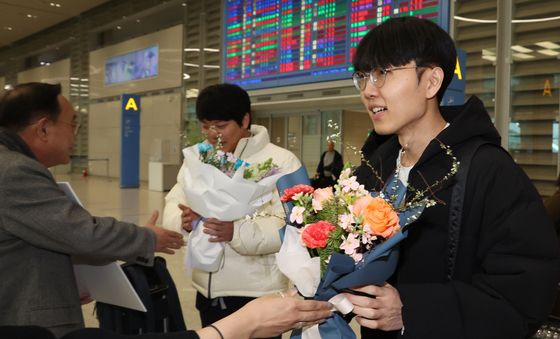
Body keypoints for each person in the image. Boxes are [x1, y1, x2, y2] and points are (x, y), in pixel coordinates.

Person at [343, 17, 560, 338]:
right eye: (363, 76)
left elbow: (525, 292)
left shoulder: (488, 169)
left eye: (383, 73)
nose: (368, 90)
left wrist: (411, 311)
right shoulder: (375, 169)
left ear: (431, 82)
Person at [0, 82, 185, 338]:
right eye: (72, 124)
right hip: (26, 323)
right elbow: (81, 231)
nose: (75, 135)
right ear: (43, 128)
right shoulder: (15, 172)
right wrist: (149, 238)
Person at [163, 83, 302, 333]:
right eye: (205, 126)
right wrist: (183, 220)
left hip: (258, 292)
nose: (212, 134)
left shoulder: (281, 162)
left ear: (245, 120)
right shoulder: (201, 157)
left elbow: (292, 225)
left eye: (221, 125)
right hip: (207, 290)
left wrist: (235, 232)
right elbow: (174, 201)